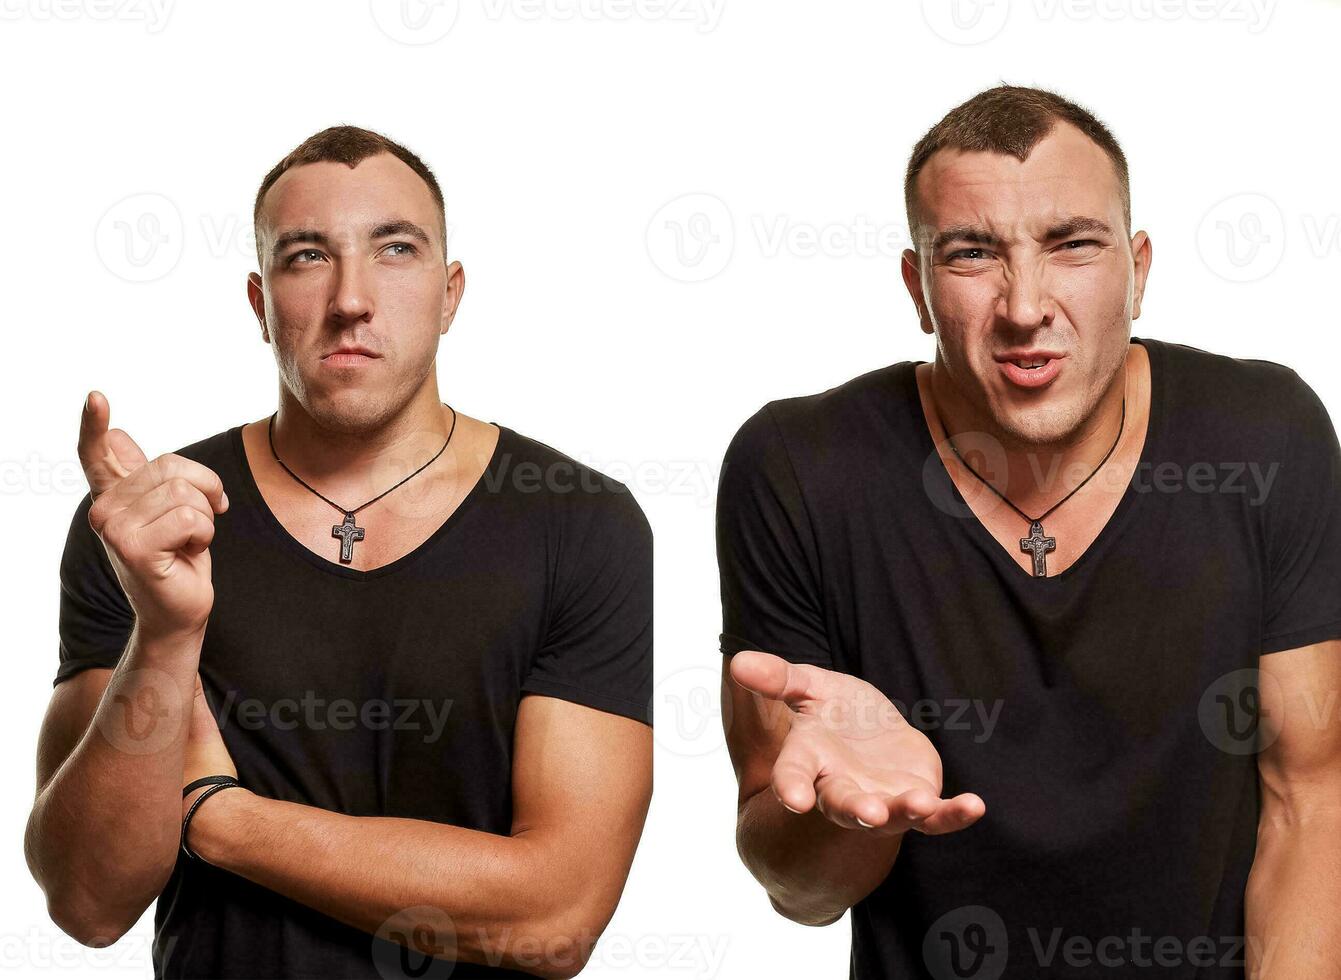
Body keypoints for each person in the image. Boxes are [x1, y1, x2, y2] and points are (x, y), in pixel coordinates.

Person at [716, 85, 1341, 979]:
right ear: (917, 288)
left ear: (1139, 269)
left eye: (1071, 244)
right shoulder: (797, 465)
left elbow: (1309, 806)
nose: (1024, 306)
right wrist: (851, 816)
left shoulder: (1264, 434)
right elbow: (800, 893)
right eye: (972, 254)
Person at [25, 126, 653, 979]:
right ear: (259, 303)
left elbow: (555, 917)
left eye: (395, 249)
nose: (351, 298)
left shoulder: (581, 522)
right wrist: (165, 634)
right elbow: (90, 903)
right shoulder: (149, 520)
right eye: (307, 256)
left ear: (449, 293)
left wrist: (219, 817)